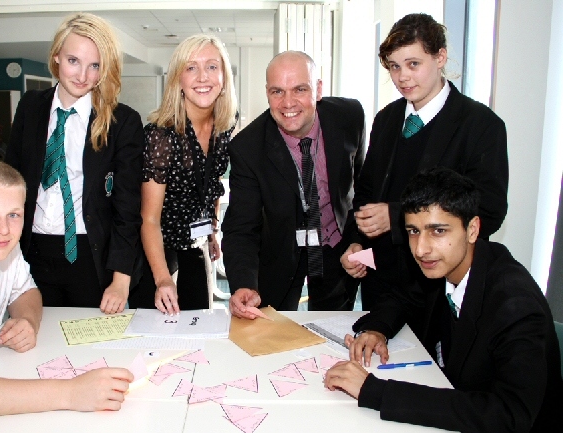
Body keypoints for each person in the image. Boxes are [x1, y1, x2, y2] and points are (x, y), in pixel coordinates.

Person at [325, 168, 562, 432]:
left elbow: (509, 415)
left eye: (438, 231)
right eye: (413, 231)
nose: (421, 248)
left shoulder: (515, 305)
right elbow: (405, 296)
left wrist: (375, 391)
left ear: (472, 229)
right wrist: (376, 330)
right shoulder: (447, 262)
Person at [0, 159, 133, 419]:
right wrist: (69, 393)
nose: (3, 229)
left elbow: (26, 291)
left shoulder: (0, 247)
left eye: (14, 215)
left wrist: (27, 320)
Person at [341, 13, 508, 311]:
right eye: (394, 66)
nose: (402, 76)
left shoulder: (481, 125)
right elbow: (366, 194)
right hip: (380, 284)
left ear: (440, 57)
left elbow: (488, 211)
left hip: (436, 290)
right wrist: (355, 242)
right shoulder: (387, 119)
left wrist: (396, 215)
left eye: (413, 64)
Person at [6, 13, 144, 314]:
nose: (83, 75)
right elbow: (11, 184)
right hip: (31, 254)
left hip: (90, 258)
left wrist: (121, 279)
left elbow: (128, 209)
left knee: (91, 353)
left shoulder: (123, 122)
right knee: (33, 348)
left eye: (94, 65)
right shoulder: (30, 108)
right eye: (73, 61)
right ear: (56, 57)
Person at [222, 51, 365, 317]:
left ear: (318, 89)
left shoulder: (350, 116)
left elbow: (362, 187)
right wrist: (242, 283)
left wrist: (357, 241)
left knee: (332, 330)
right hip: (281, 252)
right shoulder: (247, 148)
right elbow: (241, 227)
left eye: (300, 89)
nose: (288, 103)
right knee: (272, 336)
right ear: (267, 93)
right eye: (277, 92)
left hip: (337, 247)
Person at [134, 34, 237, 315]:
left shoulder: (225, 126)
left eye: (212, 66)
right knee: (156, 340)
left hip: (195, 244)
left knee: (199, 325)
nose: (203, 77)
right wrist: (163, 278)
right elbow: (149, 219)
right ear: (178, 79)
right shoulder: (161, 136)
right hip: (157, 252)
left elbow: (210, 184)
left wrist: (212, 231)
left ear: (224, 77)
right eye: (191, 67)